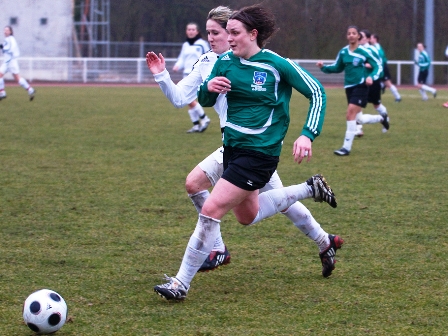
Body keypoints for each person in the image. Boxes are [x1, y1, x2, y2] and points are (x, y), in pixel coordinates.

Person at [153, 4, 343, 301]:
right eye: (223, 33)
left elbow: (317, 91)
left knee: (211, 209)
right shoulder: (223, 62)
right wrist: (210, 88)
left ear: (252, 34)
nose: (227, 39)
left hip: (259, 153)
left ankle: (180, 283)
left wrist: (308, 134)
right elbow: (201, 98)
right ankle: (309, 190)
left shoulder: (277, 64)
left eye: (233, 33)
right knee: (247, 216)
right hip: (232, 149)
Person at [317, 26, 389, 156]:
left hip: (361, 86)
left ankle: (346, 148)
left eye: (354, 33)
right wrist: (324, 68)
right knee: (359, 118)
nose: (351, 35)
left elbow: (378, 66)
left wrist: (371, 77)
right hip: (349, 87)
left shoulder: (364, 51)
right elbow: (337, 67)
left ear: (358, 37)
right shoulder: (344, 52)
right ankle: (380, 118)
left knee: (350, 113)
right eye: (349, 33)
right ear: (347, 36)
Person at [173, 22, 211, 133]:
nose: (191, 31)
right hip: (186, 74)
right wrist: (177, 66)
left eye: (193, 29)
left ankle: (204, 118)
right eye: (189, 29)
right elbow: (182, 59)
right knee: (188, 100)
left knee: (188, 99)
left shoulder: (202, 44)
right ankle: (196, 125)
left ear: (197, 31)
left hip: (197, 74)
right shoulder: (185, 45)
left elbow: (208, 56)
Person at [355, 29, 390, 137]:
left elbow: (378, 64)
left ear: (368, 39)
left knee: (376, 105)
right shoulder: (357, 49)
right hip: (362, 81)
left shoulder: (372, 49)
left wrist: (366, 65)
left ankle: (385, 119)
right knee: (357, 104)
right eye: (359, 36)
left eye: (362, 37)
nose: (359, 38)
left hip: (373, 81)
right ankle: (359, 129)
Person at [0, 26, 35, 101]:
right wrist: (2, 47)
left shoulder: (11, 39)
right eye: (4, 30)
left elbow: (10, 49)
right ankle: (2, 92)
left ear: (10, 32)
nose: (5, 31)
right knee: (2, 75)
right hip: (7, 61)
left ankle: (30, 89)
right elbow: (5, 50)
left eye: (7, 30)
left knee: (17, 78)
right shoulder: (6, 39)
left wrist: (2, 47)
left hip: (11, 61)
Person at [371, 33, 401, 102]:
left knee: (388, 83)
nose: (370, 39)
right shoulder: (374, 47)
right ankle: (381, 85)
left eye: (371, 38)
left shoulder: (377, 47)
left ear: (375, 39)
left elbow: (380, 56)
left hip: (383, 66)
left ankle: (398, 97)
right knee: (375, 80)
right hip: (380, 66)